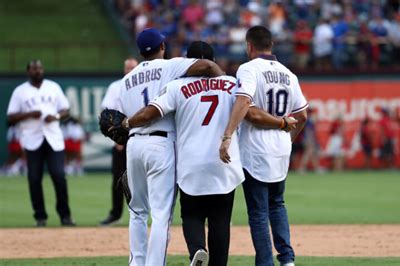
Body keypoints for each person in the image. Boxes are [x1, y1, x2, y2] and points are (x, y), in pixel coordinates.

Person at [121, 41, 297, 266]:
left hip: (190, 163)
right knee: (220, 221)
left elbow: (151, 112)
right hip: (224, 163)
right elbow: (251, 112)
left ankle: (197, 248)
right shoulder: (233, 84)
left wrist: (127, 123)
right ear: (213, 61)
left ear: (190, 62)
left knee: (192, 216)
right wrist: (281, 122)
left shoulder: (177, 86)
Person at [118, 28, 225, 266]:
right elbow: (207, 66)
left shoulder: (125, 80)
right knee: (161, 214)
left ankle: (136, 263)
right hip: (161, 143)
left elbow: (119, 120)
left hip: (133, 143)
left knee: (137, 212)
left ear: (139, 52)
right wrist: (223, 80)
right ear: (163, 47)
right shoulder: (169, 66)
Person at [219, 26, 308, 266]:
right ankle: (287, 260)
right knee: (277, 205)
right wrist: (288, 138)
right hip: (280, 149)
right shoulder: (289, 73)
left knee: (258, 213)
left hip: (256, 149)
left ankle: (265, 263)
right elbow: (303, 116)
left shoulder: (248, 68)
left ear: (249, 46)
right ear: (271, 45)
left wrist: (227, 135)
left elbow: (245, 104)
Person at [6, 60, 75, 227]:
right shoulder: (20, 91)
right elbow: (10, 118)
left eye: (40, 68)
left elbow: (66, 110)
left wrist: (56, 116)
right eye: (34, 68)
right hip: (31, 139)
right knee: (34, 178)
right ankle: (40, 217)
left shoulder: (53, 87)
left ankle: (65, 216)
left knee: (59, 176)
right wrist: (28, 114)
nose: (37, 71)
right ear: (28, 72)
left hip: (53, 138)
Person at [99, 57, 138, 226]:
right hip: (121, 138)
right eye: (127, 67)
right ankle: (115, 213)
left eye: (132, 68)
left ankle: (139, 213)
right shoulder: (116, 87)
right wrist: (116, 137)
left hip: (140, 135)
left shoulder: (142, 84)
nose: (129, 70)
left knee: (141, 178)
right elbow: (107, 112)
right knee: (118, 177)